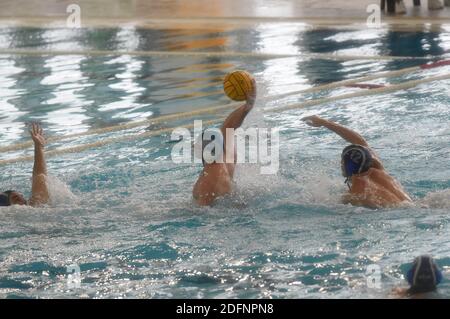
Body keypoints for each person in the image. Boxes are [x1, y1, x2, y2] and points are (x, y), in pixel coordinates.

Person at [302, 115, 412, 209]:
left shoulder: (354, 195)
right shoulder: (378, 170)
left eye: (342, 162)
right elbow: (360, 141)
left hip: (399, 212)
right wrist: (324, 122)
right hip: (415, 205)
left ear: (347, 166)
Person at [193, 80, 256, 206]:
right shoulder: (226, 159)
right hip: (237, 200)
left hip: (223, 214)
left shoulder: (209, 178)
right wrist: (247, 106)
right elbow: (229, 126)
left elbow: (202, 214)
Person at [0, 123, 49, 207]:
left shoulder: (34, 205)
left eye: (21, 196)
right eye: (16, 199)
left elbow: (40, 177)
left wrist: (39, 147)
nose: (22, 199)